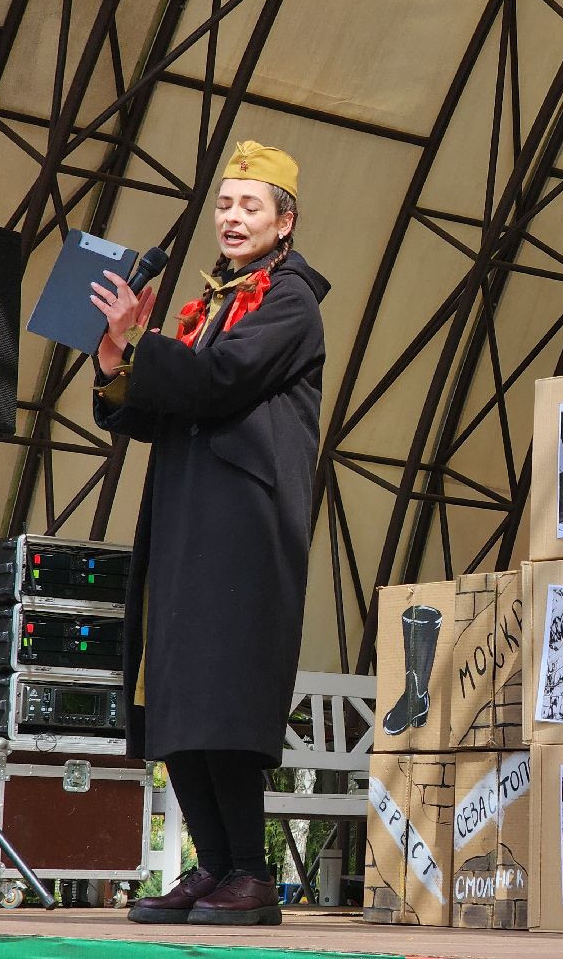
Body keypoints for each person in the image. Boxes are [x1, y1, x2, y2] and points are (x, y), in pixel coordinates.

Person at [91, 141, 329, 928]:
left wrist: (144, 344)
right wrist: (117, 358)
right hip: (192, 515)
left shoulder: (290, 299)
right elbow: (151, 410)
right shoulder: (215, 303)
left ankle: (251, 872)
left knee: (225, 692)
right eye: (225, 205)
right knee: (180, 694)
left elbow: (221, 381)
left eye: (249, 205)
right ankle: (214, 865)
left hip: (245, 524)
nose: (231, 218)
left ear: (284, 221)